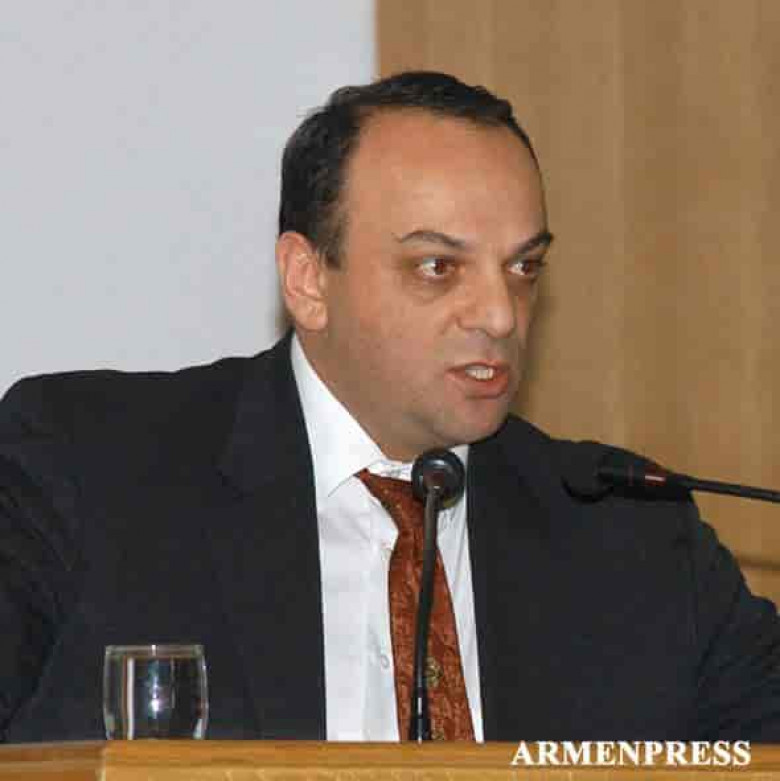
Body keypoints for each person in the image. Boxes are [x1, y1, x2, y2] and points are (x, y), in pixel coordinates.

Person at [1, 71, 779, 744]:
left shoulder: (629, 535)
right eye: (438, 266)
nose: (501, 314)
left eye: (523, 268)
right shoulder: (86, 470)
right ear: (308, 279)